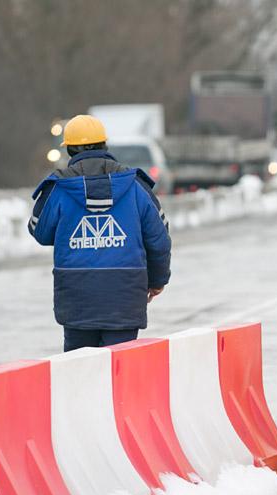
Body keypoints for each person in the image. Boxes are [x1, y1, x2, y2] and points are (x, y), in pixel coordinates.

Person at [28, 114, 171, 351]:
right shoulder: (135, 185)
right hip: (124, 297)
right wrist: (157, 281)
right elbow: (160, 239)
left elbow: (39, 231)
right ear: (105, 145)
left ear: (70, 150)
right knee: (120, 372)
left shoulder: (59, 188)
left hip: (77, 298)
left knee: (80, 374)